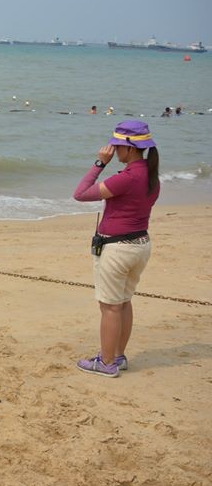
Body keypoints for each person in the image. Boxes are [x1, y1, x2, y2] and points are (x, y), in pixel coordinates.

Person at [72, 121, 160, 377]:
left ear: (130, 149)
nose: (113, 150)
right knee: (123, 302)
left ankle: (107, 362)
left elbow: (81, 193)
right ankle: (118, 356)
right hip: (140, 244)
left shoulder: (127, 178)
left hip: (118, 249)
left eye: (117, 146)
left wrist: (100, 163)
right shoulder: (151, 176)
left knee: (110, 307)